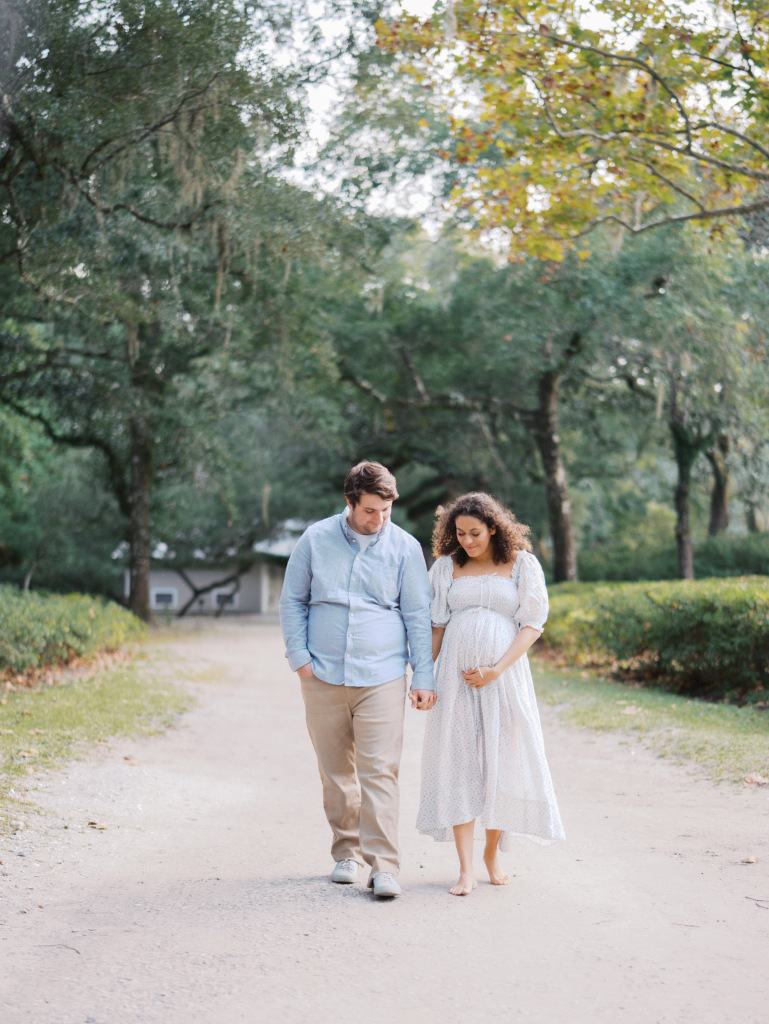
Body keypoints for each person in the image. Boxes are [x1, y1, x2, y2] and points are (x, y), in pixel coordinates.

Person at [279, 461, 435, 899]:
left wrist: (423, 674)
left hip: (383, 675)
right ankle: (346, 853)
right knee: (335, 772)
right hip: (322, 674)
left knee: (380, 771)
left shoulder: (404, 548)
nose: (378, 520)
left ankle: (384, 865)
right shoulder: (315, 539)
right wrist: (299, 658)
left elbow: (418, 616)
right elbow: (292, 600)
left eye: (385, 510)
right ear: (350, 502)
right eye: (369, 510)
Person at [417, 492, 564, 895]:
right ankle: (465, 869)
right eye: (460, 533)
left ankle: (491, 854)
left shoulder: (521, 565)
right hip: (454, 679)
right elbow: (436, 625)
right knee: (458, 762)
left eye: (475, 533)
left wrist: (496, 670)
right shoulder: (447, 567)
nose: (467, 540)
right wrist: (423, 678)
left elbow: (532, 624)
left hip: (504, 677)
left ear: (494, 527)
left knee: (501, 760)